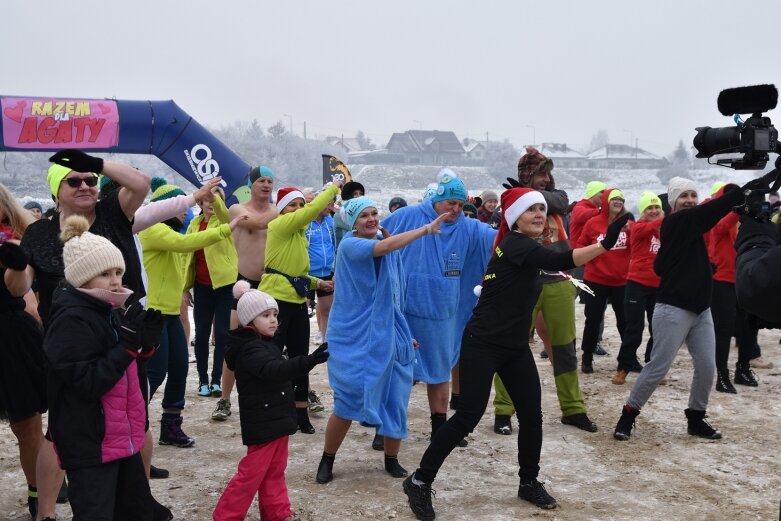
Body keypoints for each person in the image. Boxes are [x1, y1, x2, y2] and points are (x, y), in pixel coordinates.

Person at [402, 188, 630, 519]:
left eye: (542, 209)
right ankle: (419, 481)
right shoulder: (516, 245)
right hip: (482, 343)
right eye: (531, 210)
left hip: (513, 347)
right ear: (515, 220)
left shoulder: (526, 249)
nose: (539, 214)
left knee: (531, 415)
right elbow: (559, 260)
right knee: (468, 416)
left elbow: (547, 269)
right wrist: (605, 244)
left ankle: (528, 481)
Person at [19, 149, 156, 521]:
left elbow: (141, 183)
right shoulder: (41, 232)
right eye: (73, 180)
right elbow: (23, 288)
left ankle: (133, 500)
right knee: (63, 432)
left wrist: (95, 162)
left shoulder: (113, 211)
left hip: (124, 333)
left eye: (90, 180)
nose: (85, 185)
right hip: (72, 343)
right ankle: (46, 511)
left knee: (134, 420)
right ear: (55, 190)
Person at [315, 197, 449, 484]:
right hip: (354, 337)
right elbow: (383, 247)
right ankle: (327, 458)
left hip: (389, 331)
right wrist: (425, 229)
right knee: (347, 401)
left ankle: (391, 459)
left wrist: (402, 333)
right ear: (353, 222)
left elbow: (394, 294)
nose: (371, 219)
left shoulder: (382, 242)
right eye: (363, 215)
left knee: (395, 399)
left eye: (375, 213)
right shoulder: (351, 245)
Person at [613, 175, 757, 442]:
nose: (689, 200)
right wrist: (739, 191)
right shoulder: (677, 221)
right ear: (673, 202)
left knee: (707, 367)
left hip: (701, 310)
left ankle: (696, 417)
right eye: (683, 196)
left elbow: (714, 222)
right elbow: (715, 209)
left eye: (693, 195)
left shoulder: (693, 228)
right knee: (658, 367)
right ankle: (628, 416)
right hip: (673, 309)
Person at [44, 215, 163, 520]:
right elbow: (88, 381)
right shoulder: (71, 320)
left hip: (120, 438)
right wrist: (126, 346)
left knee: (135, 511)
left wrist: (143, 346)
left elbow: (123, 370)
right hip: (90, 444)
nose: (115, 281)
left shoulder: (109, 310)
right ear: (82, 278)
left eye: (118, 272)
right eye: (104, 273)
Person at [382, 170, 495, 447]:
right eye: (450, 204)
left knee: (440, 372)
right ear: (437, 201)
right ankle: (385, 429)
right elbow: (374, 238)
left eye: (460, 204)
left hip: (444, 313)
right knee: (398, 372)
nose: (456, 209)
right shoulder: (407, 217)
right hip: (405, 310)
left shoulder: (468, 227)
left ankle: (440, 430)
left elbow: (496, 240)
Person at [493, 147, 597, 434]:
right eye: (539, 173)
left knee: (565, 349)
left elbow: (559, 202)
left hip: (558, 281)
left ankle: (573, 409)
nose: (546, 178)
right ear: (527, 174)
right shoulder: (511, 202)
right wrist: (519, 197)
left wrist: (526, 195)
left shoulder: (557, 197)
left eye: (548, 173)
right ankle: (503, 410)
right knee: (511, 347)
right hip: (522, 283)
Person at [139, 178, 245, 448]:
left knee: (178, 369)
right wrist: (226, 230)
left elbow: (183, 261)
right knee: (155, 372)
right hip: (153, 314)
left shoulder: (177, 230)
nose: (185, 210)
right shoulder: (153, 230)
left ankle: (171, 426)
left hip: (171, 312)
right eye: (179, 205)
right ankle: (132, 422)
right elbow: (188, 246)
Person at [212, 281, 328, 521]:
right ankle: (226, 516)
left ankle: (277, 513)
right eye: (265, 315)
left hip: (276, 421)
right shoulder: (250, 349)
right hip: (263, 424)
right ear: (249, 321)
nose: (273, 319)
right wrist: (304, 362)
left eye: (275, 314)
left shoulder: (265, 344)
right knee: (250, 475)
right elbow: (273, 370)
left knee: (275, 472)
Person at [260, 181, 342, 433]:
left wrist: (320, 283)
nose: (297, 209)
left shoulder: (299, 235)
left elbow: (296, 272)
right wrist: (333, 188)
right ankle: (270, 408)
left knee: (300, 358)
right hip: (275, 301)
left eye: (300, 205)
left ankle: (300, 412)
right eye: (292, 205)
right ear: (282, 209)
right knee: (272, 357)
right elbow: (310, 211)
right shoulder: (279, 225)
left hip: (296, 299)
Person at [212, 165, 279, 422]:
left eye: (270, 181)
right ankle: (225, 399)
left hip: (268, 284)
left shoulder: (276, 211)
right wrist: (291, 210)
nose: (266, 185)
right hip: (241, 284)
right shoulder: (238, 209)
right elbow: (259, 223)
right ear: (251, 184)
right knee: (235, 346)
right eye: (261, 180)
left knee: (270, 346)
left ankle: (266, 396)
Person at [0, 184, 46, 519]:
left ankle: (37, 494)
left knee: (27, 426)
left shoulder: (16, 241)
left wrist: (16, 264)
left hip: (11, 338)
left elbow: (20, 290)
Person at [184, 187, 238, 398]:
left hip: (224, 285)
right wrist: (185, 288)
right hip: (201, 285)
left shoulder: (224, 221)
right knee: (202, 332)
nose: (212, 203)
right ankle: (203, 380)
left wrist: (215, 198)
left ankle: (217, 379)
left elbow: (223, 212)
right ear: (200, 203)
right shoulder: (194, 225)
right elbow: (186, 258)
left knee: (223, 334)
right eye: (207, 199)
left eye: (216, 200)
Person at [708, 184, 758, 393]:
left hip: (743, 280)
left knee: (749, 327)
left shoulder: (744, 221)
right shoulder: (716, 220)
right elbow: (720, 227)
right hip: (721, 281)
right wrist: (736, 210)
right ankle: (722, 374)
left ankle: (743, 369)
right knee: (724, 330)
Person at [576, 188, 632, 373]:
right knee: (593, 320)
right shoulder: (593, 223)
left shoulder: (628, 224)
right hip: (595, 280)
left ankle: (628, 358)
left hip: (621, 281)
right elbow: (581, 245)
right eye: (614, 198)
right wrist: (592, 257)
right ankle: (587, 357)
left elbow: (637, 246)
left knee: (625, 321)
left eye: (621, 199)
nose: (618, 201)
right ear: (606, 201)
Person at [612, 191, 663, 385]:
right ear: (643, 211)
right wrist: (667, 218)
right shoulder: (639, 226)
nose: (654, 210)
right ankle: (623, 367)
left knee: (657, 329)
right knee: (634, 327)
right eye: (649, 207)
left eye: (656, 207)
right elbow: (646, 230)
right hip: (637, 284)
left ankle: (653, 367)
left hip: (658, 286)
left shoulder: (661, 229)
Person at [305, 197, 336, 345]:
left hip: (327, 271)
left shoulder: (330, 221)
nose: (330, 207)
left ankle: (325, 341)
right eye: (327, 204)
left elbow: (335, 244)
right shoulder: (305, 223)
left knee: (326, 310)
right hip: (308, 272)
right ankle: (299, 340)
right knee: (303, 310)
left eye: (331, 204)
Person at [334, 181, 365, 250]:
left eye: (361, 194)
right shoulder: (339, 214)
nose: (359, 196)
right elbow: (358, 229)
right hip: (346, 254)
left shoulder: (362, 213)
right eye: (355, 194)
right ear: (348, 196)